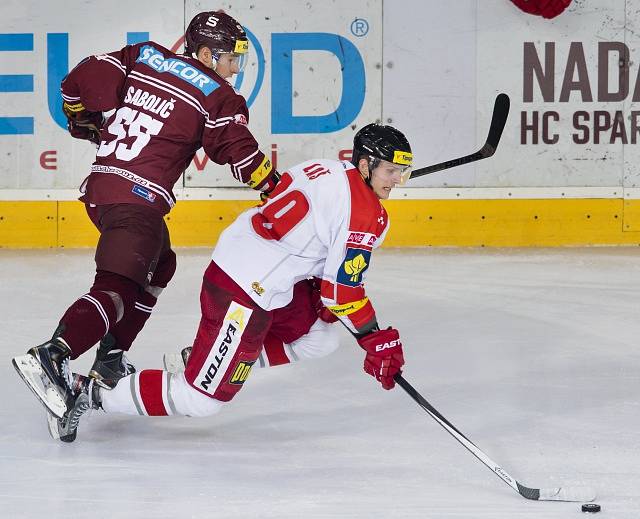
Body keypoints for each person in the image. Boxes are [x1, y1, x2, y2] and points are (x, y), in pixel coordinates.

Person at [15, 123, 412, 442]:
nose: (397, 180)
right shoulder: (365, 214)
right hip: (245, 288)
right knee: (202, 401)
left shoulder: (328, 169)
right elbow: (341, 292)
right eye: (391, 171)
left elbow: (315, 238)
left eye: (402, 172)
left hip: (258, 266)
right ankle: (86, 394)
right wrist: (373, 337)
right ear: (364, 165)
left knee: (319, 337)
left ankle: (201, 359)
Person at [11, 11, 280, 424]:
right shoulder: (218, 95)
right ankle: (52, 355)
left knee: (161, 263)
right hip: (136, 201)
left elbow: (76, 81)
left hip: (104, 188)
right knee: (117, 287)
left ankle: (111, 358)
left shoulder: (144, 56)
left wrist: (82, 119)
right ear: (207, 54)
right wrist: (277, 187)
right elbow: (242, 156)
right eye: (231, 59)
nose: (234, 70)